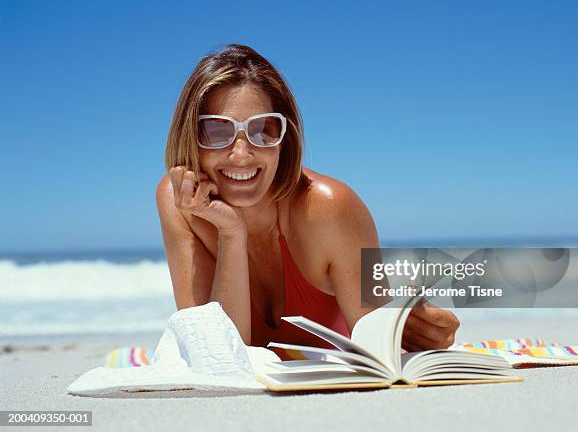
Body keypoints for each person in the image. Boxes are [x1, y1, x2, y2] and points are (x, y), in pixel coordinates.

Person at [156, 44, 459, 359]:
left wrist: (422, 334)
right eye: (218, 131)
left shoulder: (329, 207)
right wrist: (231, 232)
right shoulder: (179, 203)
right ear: (191, 137)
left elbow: (381, 352)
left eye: (263, 130)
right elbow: (216, 356)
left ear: (285, 137)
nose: (241, 154)